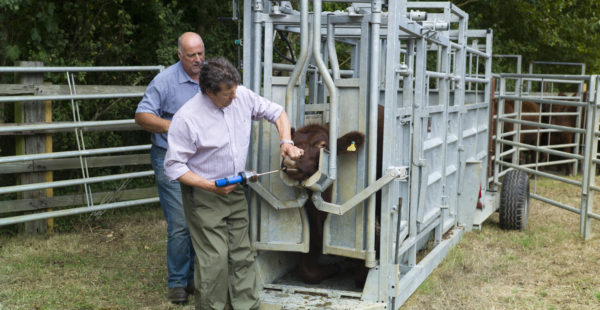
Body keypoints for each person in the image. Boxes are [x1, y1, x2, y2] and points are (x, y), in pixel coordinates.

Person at [164, 57, 304, 309]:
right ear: (209, 92)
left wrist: (286, 141)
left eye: (235, 91)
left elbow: (277, 112)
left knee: (241, 252)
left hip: (236, 188)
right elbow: (174, 166)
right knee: (215, 258)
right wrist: (209, 186)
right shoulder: (187, 118)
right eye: (228, 94)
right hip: (204, 194)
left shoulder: (242, 96)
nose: (234, 98)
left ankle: (246, 305)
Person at [135, 32, 204, 304]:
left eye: (201, 53)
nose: (198, 60)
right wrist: (171, 126)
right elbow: (142, 115)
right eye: (191, 55)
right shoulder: (164, 81)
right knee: (179, 224)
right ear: (179, 55)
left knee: (201, 219)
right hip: (170, 157)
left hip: (202, 160)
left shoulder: (210, 77)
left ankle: (194, 278)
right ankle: (177, 282)